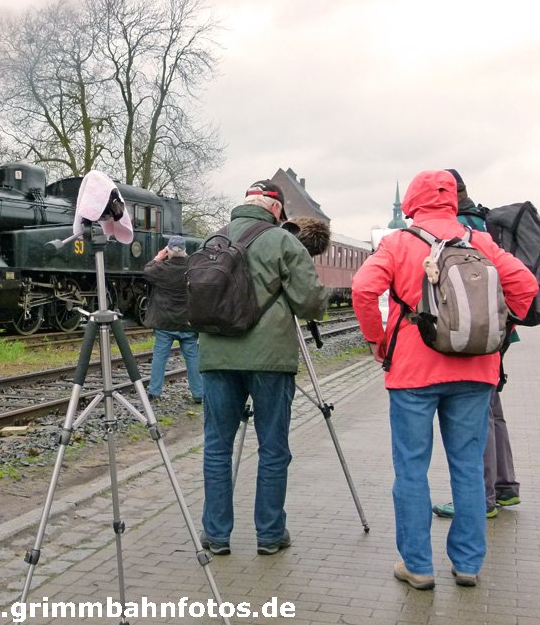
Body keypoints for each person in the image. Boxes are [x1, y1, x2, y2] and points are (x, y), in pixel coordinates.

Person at [352, 170, 537, 590]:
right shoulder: (481, 242)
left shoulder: (398, 243)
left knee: (411, 470)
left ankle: (417, 566)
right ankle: (468, 564)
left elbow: (364, 289)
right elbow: (525, 285)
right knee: (468, 468)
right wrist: (500, 331)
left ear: (414, 202)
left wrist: (377, 340)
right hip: (476, 373)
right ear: (452, 202)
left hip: (413, 374)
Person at [198, 180, 328, 556]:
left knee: (216, 447)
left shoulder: (212, 241)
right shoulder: (284, 241)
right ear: (276, 210)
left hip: (217, 357)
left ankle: (217, 535)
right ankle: (270, 534)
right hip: (270, 360)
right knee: (272, 447)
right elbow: (309, 303)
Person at [432, 169, 522, 520]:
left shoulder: (460, 227)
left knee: (478, 412)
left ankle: (480, 497)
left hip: (475, 330)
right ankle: (505, 486)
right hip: (499, 329)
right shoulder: (483, 220)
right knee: (492, 408)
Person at [143, 235, 203, 403]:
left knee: (159, 357)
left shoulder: (161, 268)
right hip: (188, 323)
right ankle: (198, 394)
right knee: (192, 359)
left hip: (164, 322)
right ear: (185, 251)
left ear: (168, 250)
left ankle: (154, 392)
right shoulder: (193, 268)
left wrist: (157, 258)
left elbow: (147, 272)